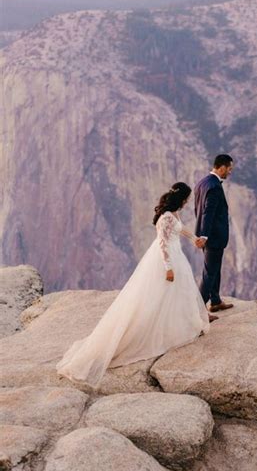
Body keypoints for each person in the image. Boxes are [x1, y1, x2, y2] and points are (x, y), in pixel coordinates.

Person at [56, 182, 209, 388]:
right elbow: (163, 243)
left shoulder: (173, 214)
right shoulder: (165, 218)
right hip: (167, 260)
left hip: (176, 257)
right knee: (160, 296)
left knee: (176, 295)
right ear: (181, 198)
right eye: (187, 198)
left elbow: (180, 231)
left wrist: (194, 239)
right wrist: (168, 268)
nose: (187, 201)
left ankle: (177, 325)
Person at [194, 154, 234, 317]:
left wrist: (202, 233)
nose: (230, 173)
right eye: (229, 169)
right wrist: (205, 235)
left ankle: (216, 301)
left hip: (208, 236)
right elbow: (207, 212)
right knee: (209, 273)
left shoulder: (202, 183)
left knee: (215, 269)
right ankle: (197, 311)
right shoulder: (214, 186)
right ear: (222, 167)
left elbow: (197, 210)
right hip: (213, 236)